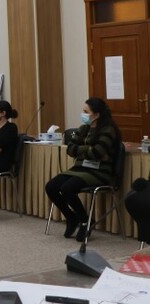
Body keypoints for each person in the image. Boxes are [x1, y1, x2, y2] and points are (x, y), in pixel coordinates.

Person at [45, 97, 120, 242]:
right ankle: (71, 217)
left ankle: (85, 221)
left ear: (96, 114)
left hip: (99, 171)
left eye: (86, 112)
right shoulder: (83, 128)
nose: (83, 114)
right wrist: (88, 149)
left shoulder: (108, 129)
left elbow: (97, 153)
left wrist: (84, 150)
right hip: (79, 168)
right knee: (51, 187)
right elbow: (70, 149)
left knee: (67, 188)